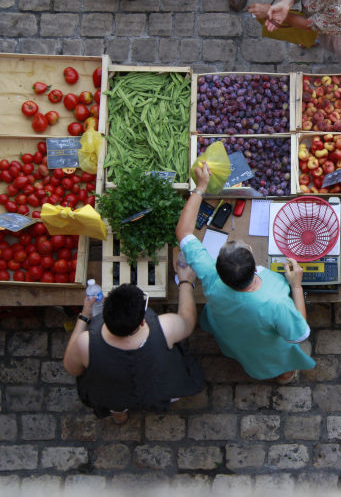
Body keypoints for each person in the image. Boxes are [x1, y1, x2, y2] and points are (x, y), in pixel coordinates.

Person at [175, 163, 315, 384]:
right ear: (252, 257)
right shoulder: (276, 302)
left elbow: (183, 232)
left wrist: (200, 188)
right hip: (264, 347)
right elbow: (299, 333)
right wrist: (297, 286)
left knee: (241, 351)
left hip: (230, 333)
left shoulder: (210, 274)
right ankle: (284, 374)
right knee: (271, 360)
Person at [63, 263, 205, 423]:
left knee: (115, 402)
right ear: (143, 321)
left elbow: (72, 368)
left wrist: (84, 316)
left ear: (105, 315)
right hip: (155, 387)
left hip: (113, 393)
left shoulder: (85, 343)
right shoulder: (166, 327)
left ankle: (119, 414)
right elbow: (188, 320)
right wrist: (185, 283)